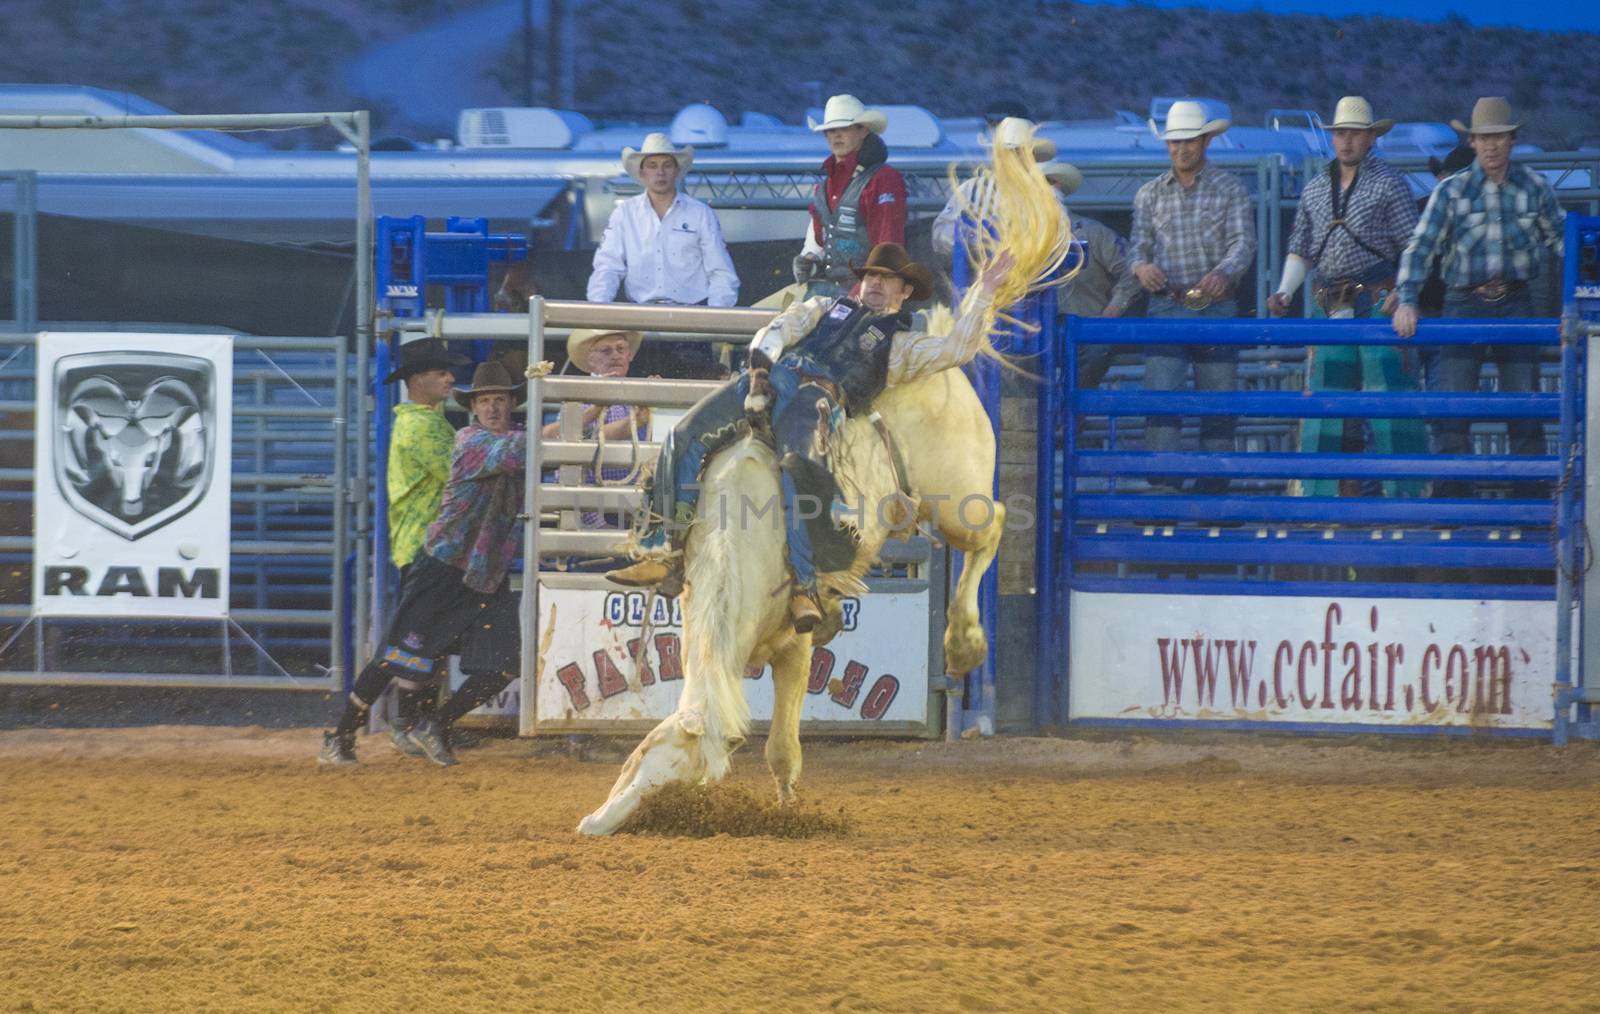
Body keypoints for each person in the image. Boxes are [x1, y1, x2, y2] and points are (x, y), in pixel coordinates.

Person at [606, 243, 1012, 631]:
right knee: (683, 434)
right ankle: (664, 549)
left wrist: (984, 293)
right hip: (772, 379)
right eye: (871, 274)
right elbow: (780, 326)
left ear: (905, 293)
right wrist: (761, 365)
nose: (874, 283)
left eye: (887, 279)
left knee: (798, 467)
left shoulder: (902, 346)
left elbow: (957, 348)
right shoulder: (825, 307)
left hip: (820, 395)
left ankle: (805, 585)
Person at [320, 361, 528, 768]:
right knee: (400, 655)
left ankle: (436, 723)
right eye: (485, 401)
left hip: (484, 573)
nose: (492, 408)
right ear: (473, 409)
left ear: (511, 404)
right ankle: (341, 734)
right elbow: (519, 451)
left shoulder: (504, 440)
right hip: (445, 565)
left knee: (503, 665)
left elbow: (526, 450)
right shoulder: (471, 442)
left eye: (499, 400)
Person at [1392, 97, 1566, 495]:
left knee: (1524, 405)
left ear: (1512, 140)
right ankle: (1454, 499)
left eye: (1499, 138)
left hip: (1516, 299)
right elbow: (1421, 246)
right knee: (1453, 406)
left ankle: (1531, 498)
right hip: (1463, 301)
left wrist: (1579, 301)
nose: (1491, 146)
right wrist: (1407, 298)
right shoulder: (1451, 192)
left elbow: (1563, 245)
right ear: (1472, 141)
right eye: (1484, 138)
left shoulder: (1536, 188)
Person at [1266, 96, 1426, 497]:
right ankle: (1319, 503)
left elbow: (1412, 246)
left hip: (1377, 299)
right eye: (1341, 133)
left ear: (1371, 138)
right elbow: (1302, 246)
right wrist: (1285, 290)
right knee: (1325, 401)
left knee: (1390, 400)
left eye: (1355, 133)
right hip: (1331, 301)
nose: (1347, 141)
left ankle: (1407, 502)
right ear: (1333, 138)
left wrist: (1405, 293)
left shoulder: (1389, 183)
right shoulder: (1316, 187)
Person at [1128, 100, 1255, 490]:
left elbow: (1243, 242)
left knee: (1218, 404)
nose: (1181, 149)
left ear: (1204, 142)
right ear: (1168, 146)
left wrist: (1223, 272)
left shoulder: (1229, 188)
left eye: (1189, 141)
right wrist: (1141, 267)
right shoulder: (1149, 195)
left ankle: (1212, 493)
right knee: (1161, 403)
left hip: (1215, 304)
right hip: (1168, 301)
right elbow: (1137, 246)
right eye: (1175, 142)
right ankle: (1164, 492)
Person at [587, 132, 739, 376]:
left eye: (667, 165)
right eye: (653, 166)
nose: (660, 172)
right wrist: (598, 317)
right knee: (641, 404)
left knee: (689, 399)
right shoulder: (624, 214)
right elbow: (607, 267)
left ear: (677, 171)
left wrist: (713, 323)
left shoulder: (700, 213)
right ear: (642, 173)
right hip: (640, 324)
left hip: (691, 325)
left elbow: (721, 273)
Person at [381, 338, 461, 753]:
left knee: (423, 639)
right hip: (425, 548)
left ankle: (409, 721)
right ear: (417, 380)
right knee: (418, 641)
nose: (450, 377)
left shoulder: (421, 420)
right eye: (440, 372)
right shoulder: (424, 426)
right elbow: (463, 472)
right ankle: (406, 723)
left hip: (423, 546)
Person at [794, 95, 907, 298]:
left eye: (844, 129)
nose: (837, 136)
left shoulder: (883, 180)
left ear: (863, 131)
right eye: (831, 130)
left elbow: (888, 248)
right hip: (826, 289)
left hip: (866, 293)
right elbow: (820, 238)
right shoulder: (824, 186)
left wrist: (862, 294)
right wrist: (809, 259)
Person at [543, 328, 649, 529]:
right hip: (596, 508)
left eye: (620, 349)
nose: (615, 356)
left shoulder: (638, 393)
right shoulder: (580, 396)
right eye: (606, 351)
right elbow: (554, 437)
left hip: (634, 506)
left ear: (629, 355)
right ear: (590, 359)